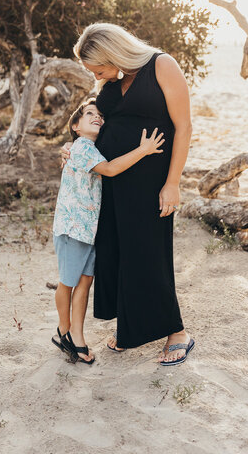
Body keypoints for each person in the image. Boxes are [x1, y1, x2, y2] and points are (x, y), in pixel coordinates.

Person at [61, 23, 194, 366]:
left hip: (150, 179)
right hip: (109, 179)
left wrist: (173, 182)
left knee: (149, 251)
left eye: (97, 68)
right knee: (116, 252)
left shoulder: (161, 65)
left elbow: (183, 126)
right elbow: (97, 121)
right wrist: (76, 149)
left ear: (113, 52)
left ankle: (177, 333)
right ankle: (131, 329)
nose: (95, 75)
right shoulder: (113, 79)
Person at [52, 98, 165, 364]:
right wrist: (144, 149)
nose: (97, 117)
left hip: (88, 230)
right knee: (67, 283)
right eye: (90, 113)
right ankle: (63, 330)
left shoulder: (90, 148)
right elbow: (112, 170)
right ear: (76, 126)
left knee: (84, 282)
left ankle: (77, 337)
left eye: (100, 115)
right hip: (72, 228)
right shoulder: (81, 148)